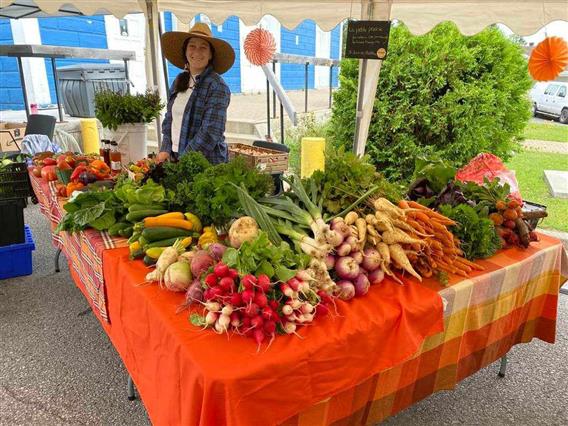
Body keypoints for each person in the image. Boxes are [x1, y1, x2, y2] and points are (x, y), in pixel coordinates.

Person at [157, 23, 235, 164]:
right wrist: (165, 148)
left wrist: (184, 161)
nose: (197, 52)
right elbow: (169, 118)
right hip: (176, 158)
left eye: (203, 47)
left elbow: (210, 132)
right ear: (185, 51)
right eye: (192, 46)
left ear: (211, 54)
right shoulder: (179, 81)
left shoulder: (217, 86)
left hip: (205, 164)